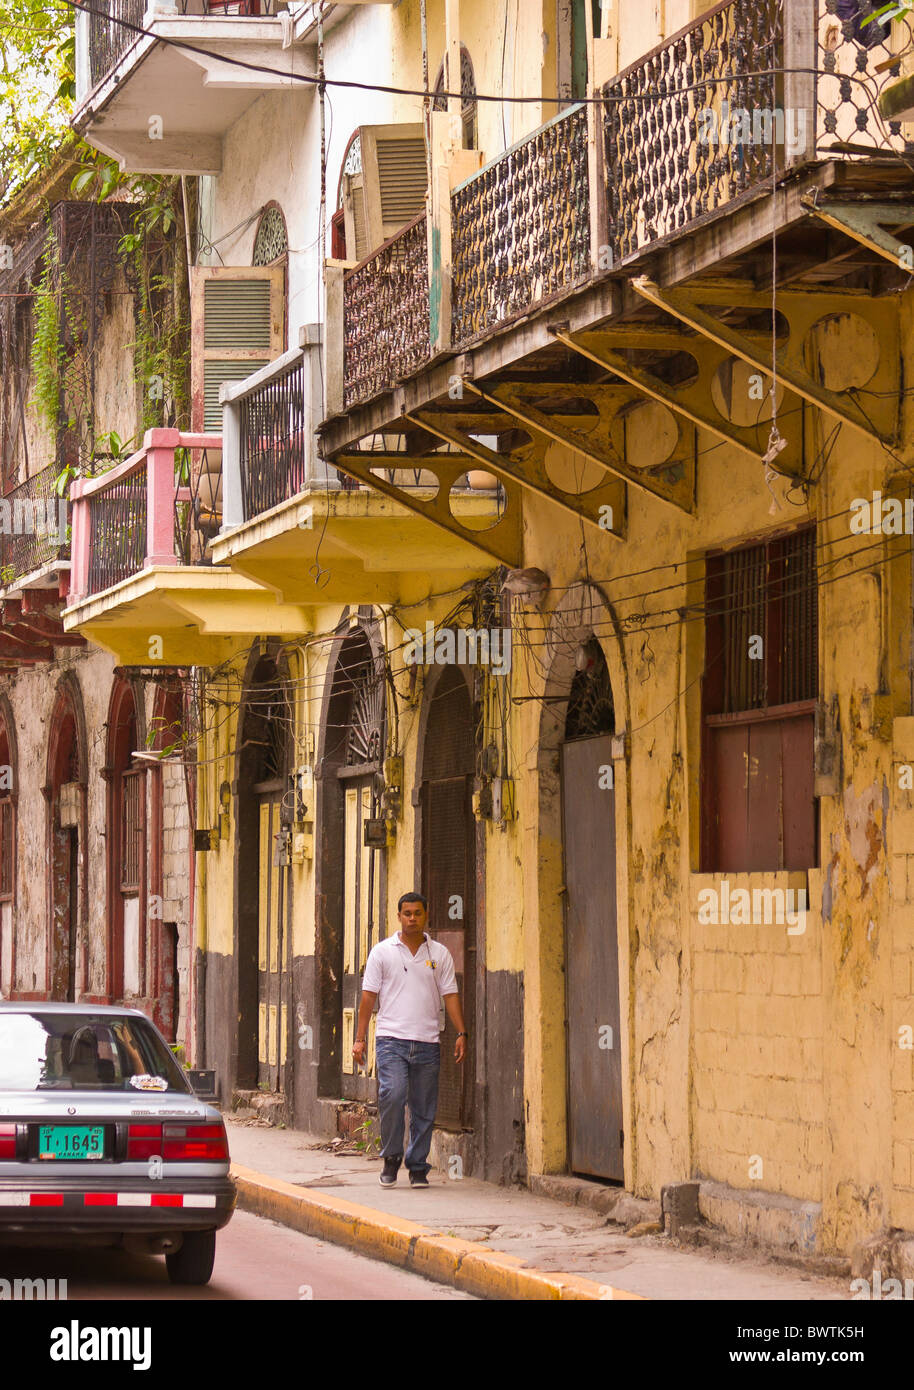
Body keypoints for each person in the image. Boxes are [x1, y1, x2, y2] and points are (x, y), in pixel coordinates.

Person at [353, 891, 467, 1187]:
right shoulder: (382, 952)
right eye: (407, 913)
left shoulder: (439, 954)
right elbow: (368, 998)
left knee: (424, 1106)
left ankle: (417, 1165)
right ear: (399, 916)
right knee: (392, 1094)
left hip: (428, 1041)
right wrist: (359, 1038)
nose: (412, 918)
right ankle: (391, 1157)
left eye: (417, 913)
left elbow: (450, 995)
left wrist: (461, 1032)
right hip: (391, 1039)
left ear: (425, 915)